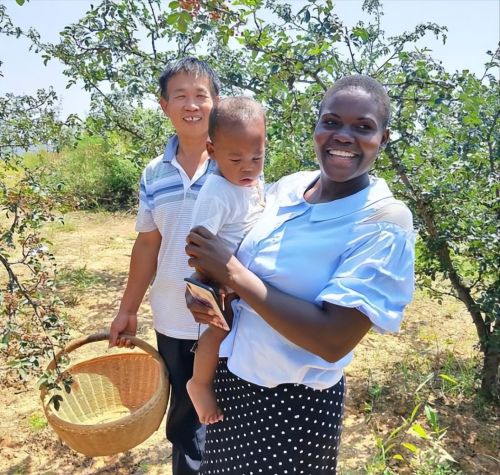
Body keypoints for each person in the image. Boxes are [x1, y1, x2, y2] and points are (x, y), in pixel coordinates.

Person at [185, 75, 416, 474]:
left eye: (363, 127)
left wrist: (234, 274)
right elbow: (232, 248)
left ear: (384, 137)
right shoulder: (287, 188)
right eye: (331, 121)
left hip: (292, 408)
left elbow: (332, 339)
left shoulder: (383, 220)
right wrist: (208, 294)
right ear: (317, 127)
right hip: (233, 382)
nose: (343, 136)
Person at [108, 57, 220, 475]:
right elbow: (148, 243)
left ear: (216, 102)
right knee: (185, 422)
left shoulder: (237, 165)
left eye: (201, 95)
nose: (192, 105)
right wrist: (128, 309)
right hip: (172, 319)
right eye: (181, 96)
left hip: (227, 321)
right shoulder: (154, 173)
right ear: (164, 106)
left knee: (226, 413)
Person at [186, 96, 266, 425]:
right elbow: (197, 244)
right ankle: (199, 384)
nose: (247, 167)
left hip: (243, 281)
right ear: (212, 150)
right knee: (218, 331)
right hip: (222, 284)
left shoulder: (252, 182)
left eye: (257, 157)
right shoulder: (217, 192)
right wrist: (213, 287)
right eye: (236, 159)